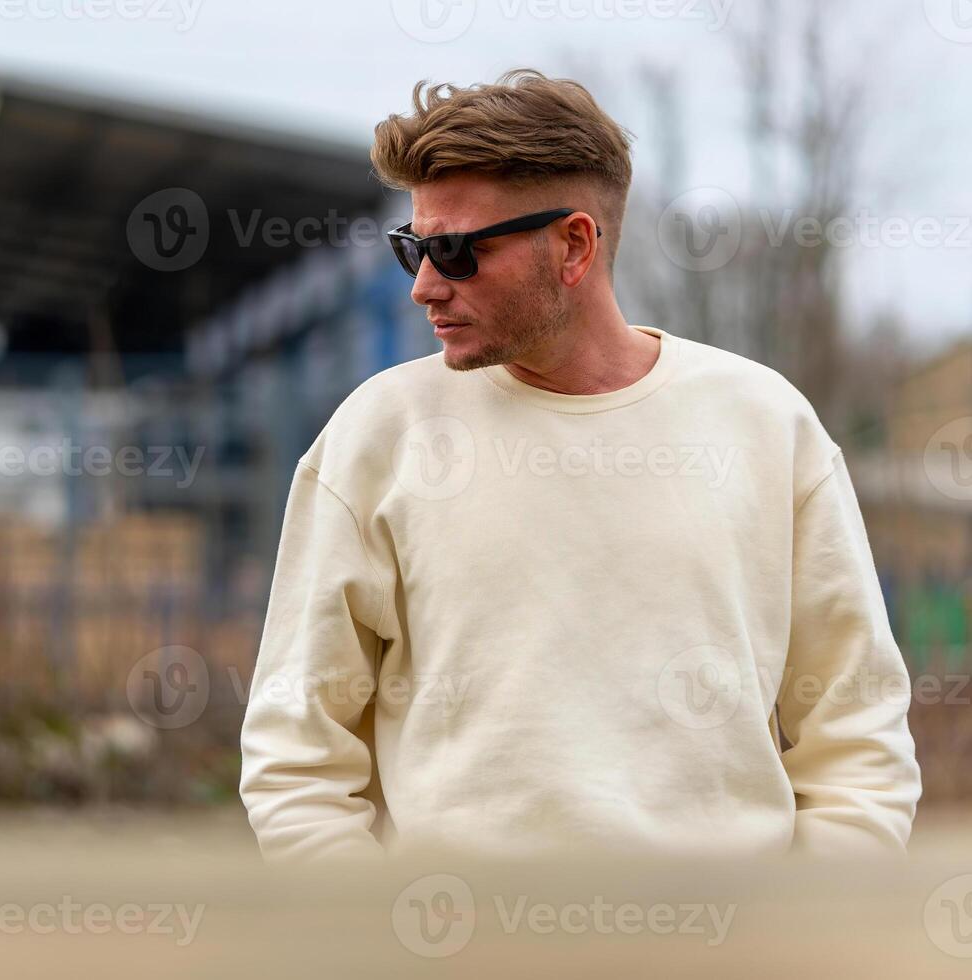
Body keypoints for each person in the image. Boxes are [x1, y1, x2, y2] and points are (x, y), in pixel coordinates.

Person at [238, 69, 921, 861]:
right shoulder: (378, 438)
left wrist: (810, 934)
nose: (425, 285)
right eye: (412, 249)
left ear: (574, 244)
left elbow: (857, 733)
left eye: (456, 252)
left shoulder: (765, 426)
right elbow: (296, 758)